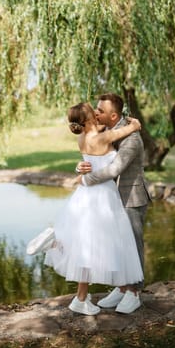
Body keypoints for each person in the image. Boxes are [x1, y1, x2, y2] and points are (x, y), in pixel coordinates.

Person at [27, 102, 143, 316]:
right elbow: (129, 129)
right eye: (94, 110)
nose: (97, 113)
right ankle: (81, 289)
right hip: (102, 194)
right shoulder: (102, 137)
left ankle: (58, 243)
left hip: (85, 195)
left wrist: (79, 168)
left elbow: (90, 157)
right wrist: (135, 123)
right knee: (97, 245)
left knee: (86, 242)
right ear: (89, 118)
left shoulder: (82, 137)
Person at [76, 93, 151, 314]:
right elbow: (92, 154)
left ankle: (135, 292)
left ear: (113, 115)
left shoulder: (132, 138)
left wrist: (86, 180)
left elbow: (114, 169)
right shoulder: (105, 131)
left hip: (131, 197)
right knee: (117, 244)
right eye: (96, 109)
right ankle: (121, 287)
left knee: (133, 244)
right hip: (111, 198)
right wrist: (80, 168)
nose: (96, 112)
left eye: (100, 110)